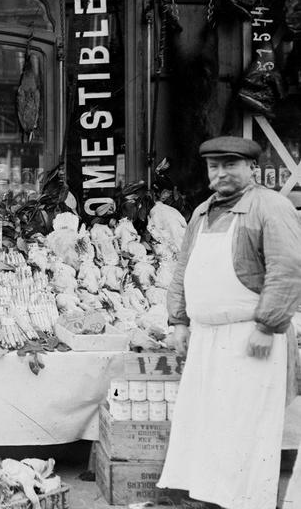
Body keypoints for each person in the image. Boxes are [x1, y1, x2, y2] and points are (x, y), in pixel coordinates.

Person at [157, 136, 301, 509]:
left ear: (251, 168)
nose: (221, 173)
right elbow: (183, 269)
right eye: (214, 166)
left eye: (230, 165)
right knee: (207, 423)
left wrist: (267, 326)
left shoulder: (272, 206)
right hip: (206, 338)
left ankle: (245, 502)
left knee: (245, 425)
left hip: (250, 335)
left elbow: (287, 270)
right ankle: (209, 498)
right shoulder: (203, 212)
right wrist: (180, 322)